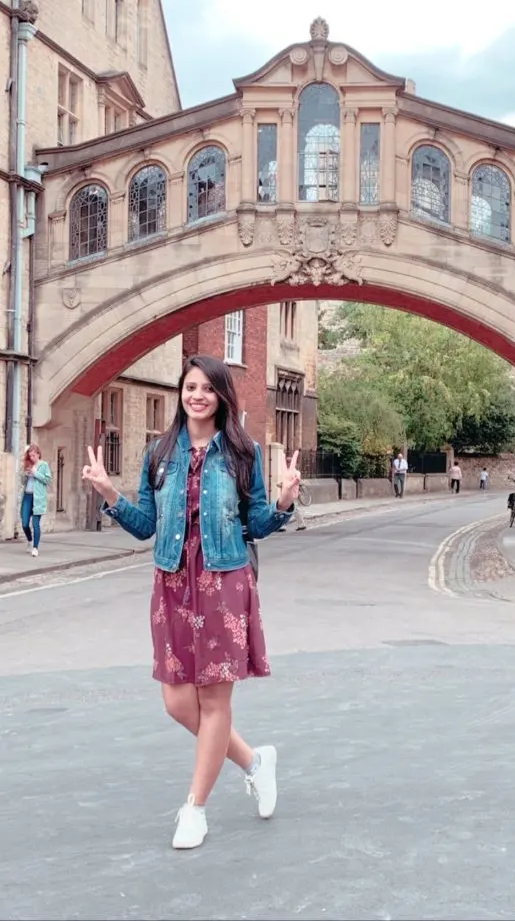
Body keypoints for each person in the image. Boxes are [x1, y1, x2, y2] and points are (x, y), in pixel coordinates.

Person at [81, 355, 300, 851]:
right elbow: (145, 527)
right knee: (178, 702)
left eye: (207, 388)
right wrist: (109, 493)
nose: (197, 395)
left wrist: (285, 500)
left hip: (224, 581)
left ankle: (194, 809)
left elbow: (258, 524)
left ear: (223, 395)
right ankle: (254, 761)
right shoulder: (160, 453)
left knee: (214, 699)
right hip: (173, 583)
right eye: (190, 387)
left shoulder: (242, 453)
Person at [20, 443, 52, 556]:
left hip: (38, 498)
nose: (32, 458)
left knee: (35, 524)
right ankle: (29, 541)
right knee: (24, 523)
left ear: (38, 454)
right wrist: (26, 475)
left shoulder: (44, 465)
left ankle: (35, 548)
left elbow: (48, 480)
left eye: (33, 455)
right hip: (27, 496)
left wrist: (35, 473)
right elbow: (23, 482)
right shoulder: (28, 465)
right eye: (30, 456)